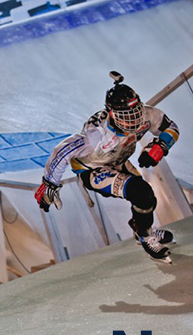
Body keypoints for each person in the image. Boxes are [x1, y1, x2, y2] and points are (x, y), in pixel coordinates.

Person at [34, 71, 179, 264]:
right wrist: (49, 185)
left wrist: (161, 145)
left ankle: (143, 230)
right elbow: (62, 151)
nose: (134, 120)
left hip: (118, 161)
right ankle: (146, 237)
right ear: (111, 114)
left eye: (136, 111)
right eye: (127, 115)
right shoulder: (96, 134)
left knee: (148, 200)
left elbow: (171, 127)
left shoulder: (147, 114)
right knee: (141, 193)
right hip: (92, 169)